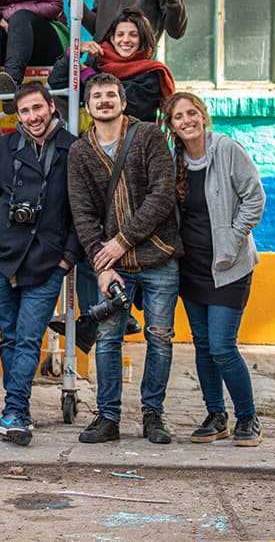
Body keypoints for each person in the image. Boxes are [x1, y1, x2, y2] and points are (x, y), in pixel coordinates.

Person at [67, 74, 181, 446]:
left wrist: (121, 241)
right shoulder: (80, 152)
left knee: (159, 337)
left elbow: (162, 195)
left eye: (110, 95)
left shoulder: (148, 136)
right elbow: (82, 213)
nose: (104, 101)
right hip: (113, 265)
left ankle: (153, 415)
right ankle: (108, 417)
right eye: (96, 96)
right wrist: (103, 264)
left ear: (123, 102)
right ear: (87, 106)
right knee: (108, 338)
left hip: (159, 254)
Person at [0, 82, 81, 445]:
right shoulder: (4, 146)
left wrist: (67, 259)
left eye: (37, 108)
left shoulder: (73, 149)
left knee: (29, 339)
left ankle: (15, 411)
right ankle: (17, 411)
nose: (32, 117)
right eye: (25, 111)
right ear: (18, 115)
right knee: (10, 337)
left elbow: (83, 211)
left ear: (51, 107)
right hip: (0, 257)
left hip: (47, 262)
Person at [162, 92, 266, 447]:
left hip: (229, 266)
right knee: (203, 345)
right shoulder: (174, 160)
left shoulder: (227, 150)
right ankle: (216, 415)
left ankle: (248, 418)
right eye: (178, 117)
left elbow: (254, 198)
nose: (187, 121)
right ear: (172, 125)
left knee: (222, 346)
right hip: (191, 267)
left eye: (192, 113)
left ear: (203, 116)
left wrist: (233, 239)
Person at [48, 6, 175, 123]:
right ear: (112, 39)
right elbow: (56, 82)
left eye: (133, 35)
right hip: (95, 136)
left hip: (137, 137)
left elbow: (125, 104)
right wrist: (74, 53)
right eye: (120, 34)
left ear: (142, 39)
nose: (126, 40)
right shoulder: (98, 62)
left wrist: (87, 75)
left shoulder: (152, 73)